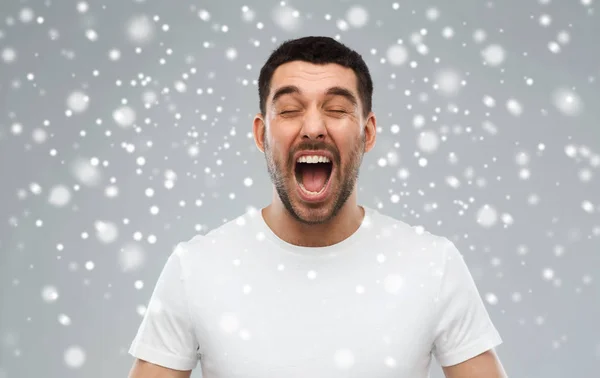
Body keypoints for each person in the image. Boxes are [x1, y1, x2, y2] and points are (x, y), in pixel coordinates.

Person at [127, 36, 507, 378]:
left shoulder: (432, 265)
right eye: (290, 109)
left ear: (368, 133)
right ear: (262, 134)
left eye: (337, 109)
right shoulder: (195, 268)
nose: (313, 127)